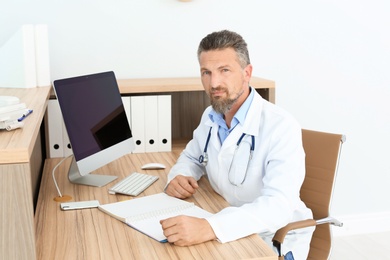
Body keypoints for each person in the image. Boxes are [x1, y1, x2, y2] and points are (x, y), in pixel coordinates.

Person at [160, 30, 313, 259]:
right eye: (206, 72)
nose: (214, 83)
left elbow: (278, 205)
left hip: (271, 237)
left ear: (246, 73)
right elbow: (192, 156)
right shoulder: (211, 116)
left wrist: (210, 227)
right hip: (222, 216)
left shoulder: (280, 127)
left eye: (224, 71)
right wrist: (180, 176)